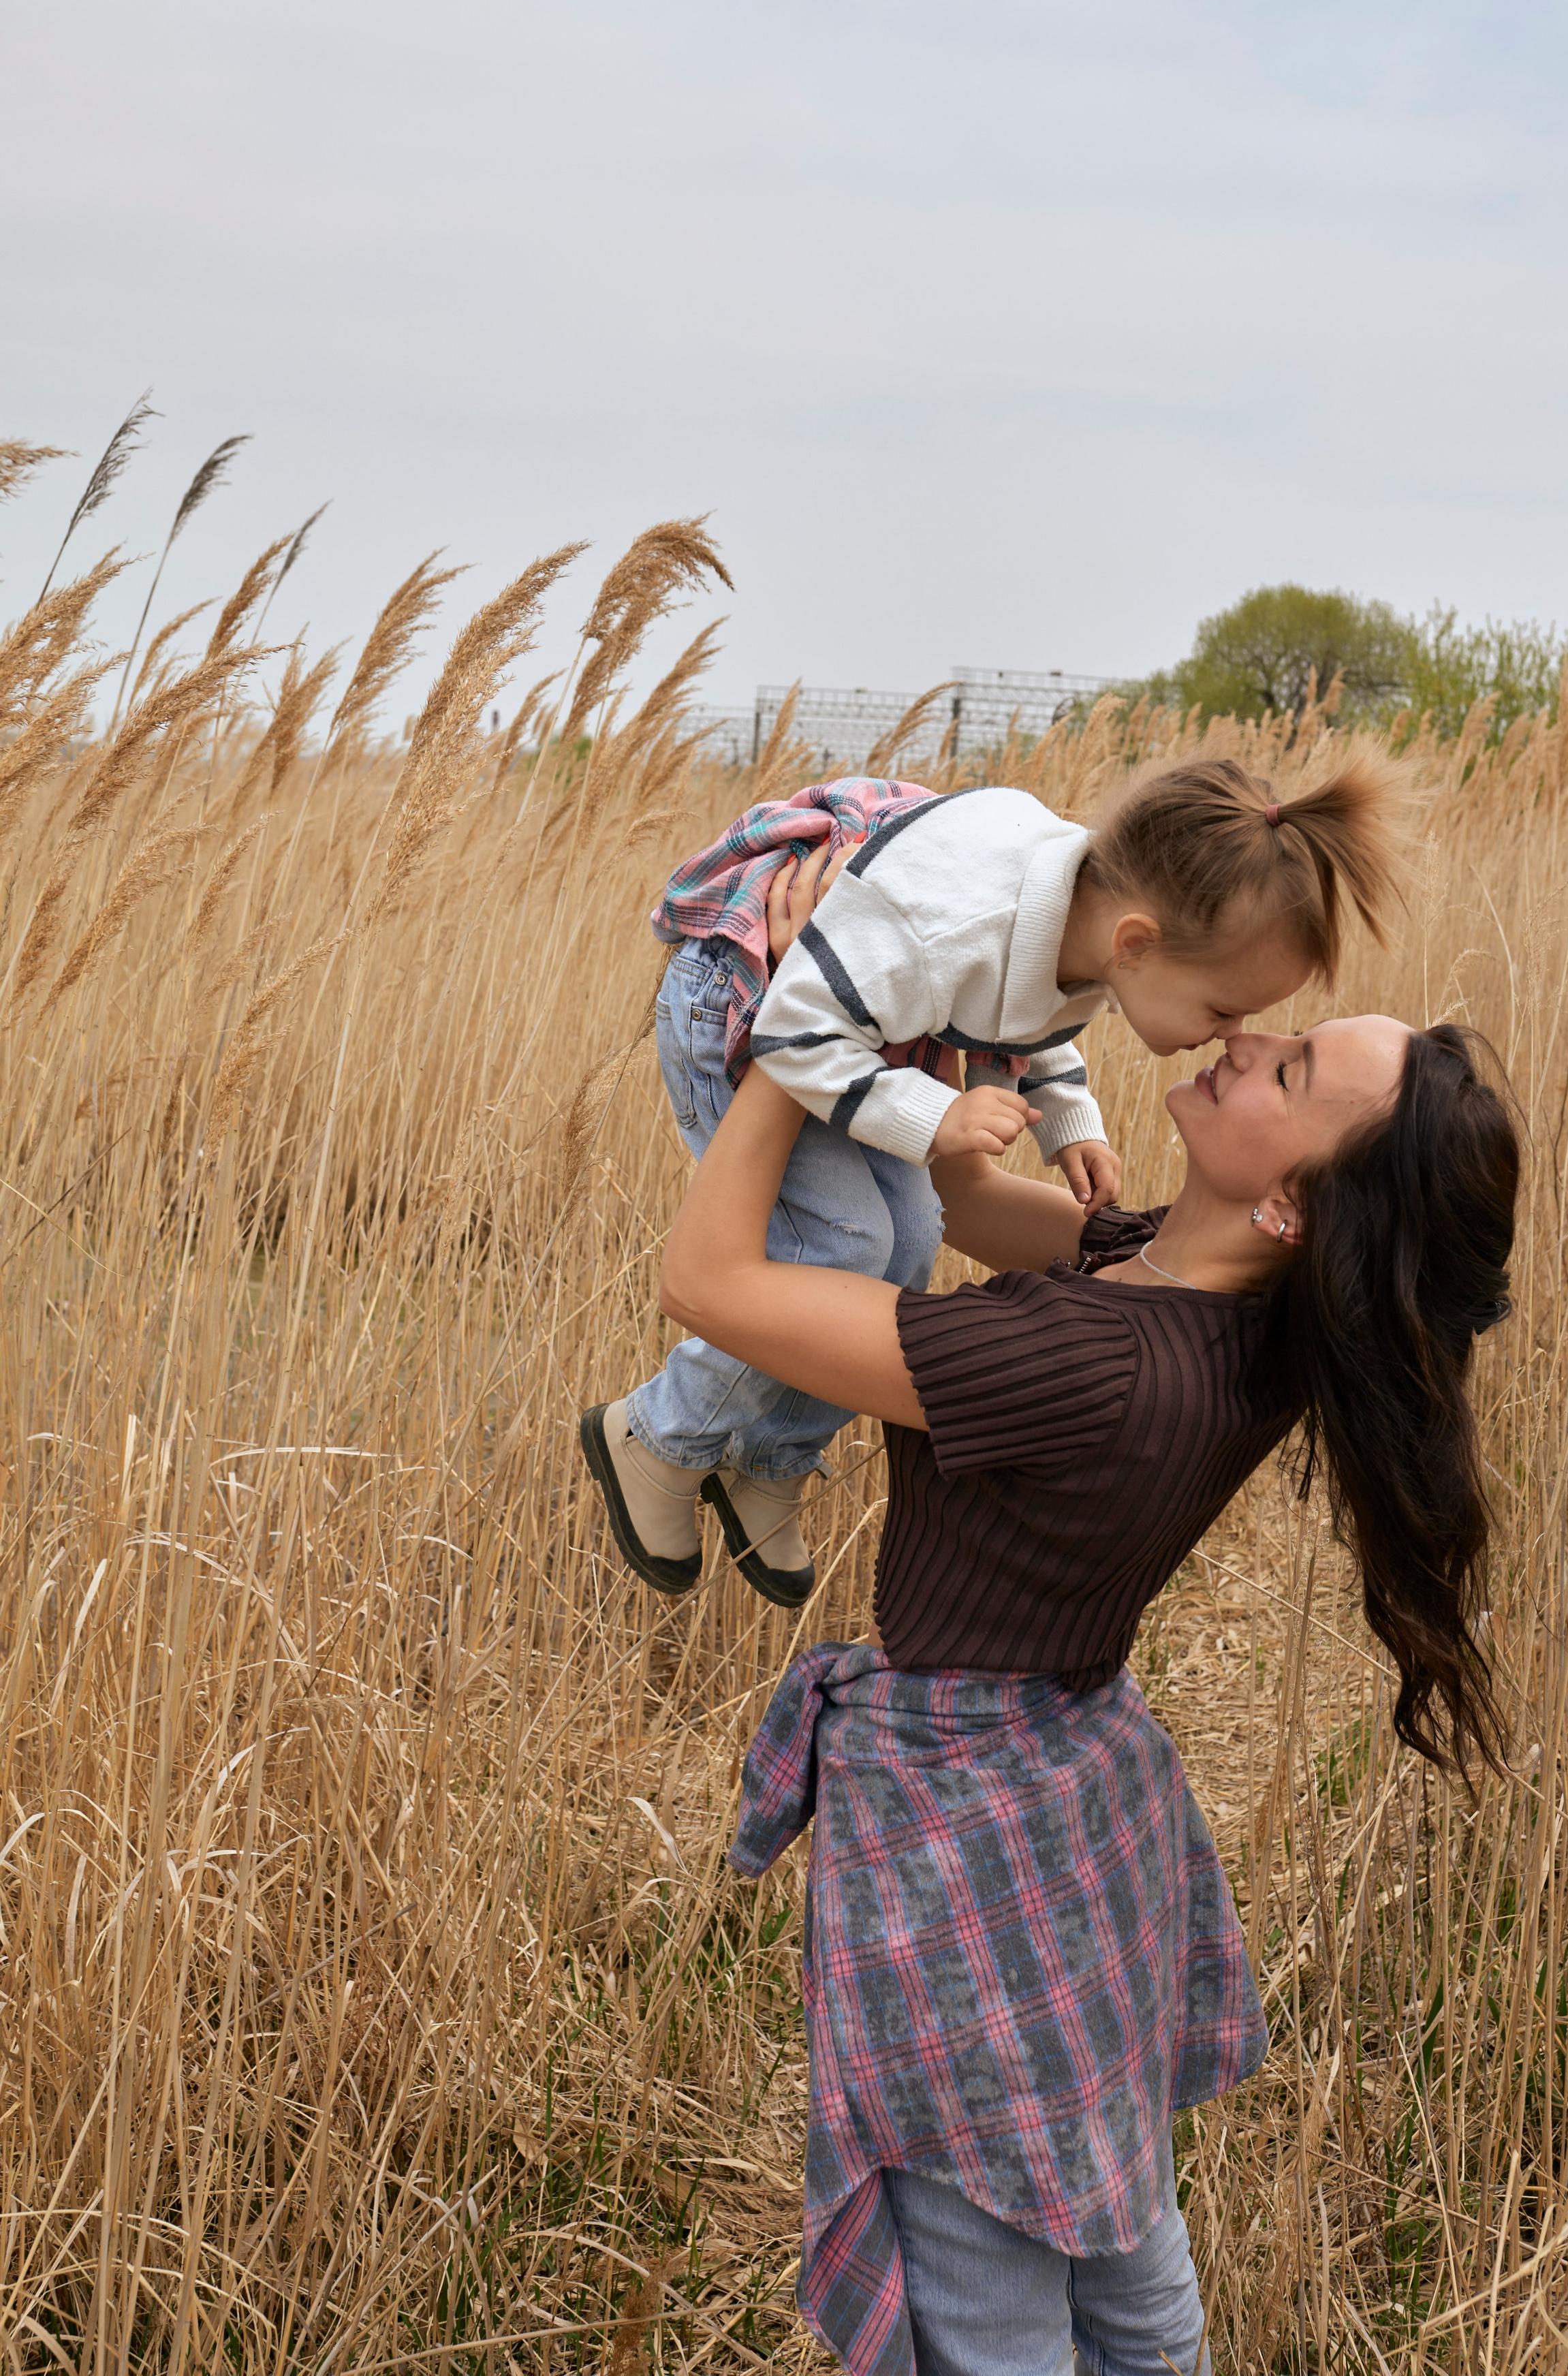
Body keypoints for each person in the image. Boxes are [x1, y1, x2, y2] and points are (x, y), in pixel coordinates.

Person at [653, 874, 1519, 2376]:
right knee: (1115, 2228)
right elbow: (983, 1215)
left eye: (1292, 1073)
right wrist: (936, 1064)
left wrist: (802, 1033)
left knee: (981, 2265)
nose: (1247, 1038)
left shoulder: (1087, 1361)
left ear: (1294, 1207)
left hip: (969, 1840)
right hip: (1072, 1801)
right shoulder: (1217, 1306)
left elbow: (705, 1282)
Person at [585, 753, 1405, 1609]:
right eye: (1224, 1009)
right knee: (846, 1243)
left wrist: (1064, 1122)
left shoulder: (1083, 923)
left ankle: (769, 1457)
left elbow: (1026, 1012)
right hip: (747, 998)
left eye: (1278, 1057)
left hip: (858, 1022)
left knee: (909, 1239)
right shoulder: (966, 926)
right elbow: (800, 1033)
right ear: (1133, 944)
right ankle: (658, 1437)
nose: (1235, 1037)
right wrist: (938, 1115)